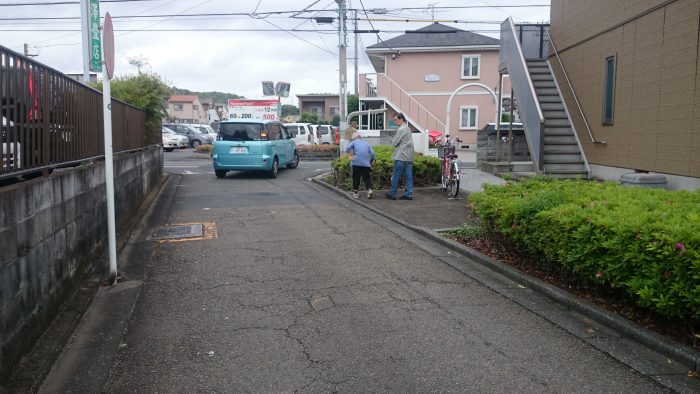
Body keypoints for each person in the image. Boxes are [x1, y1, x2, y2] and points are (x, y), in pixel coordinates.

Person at [386, 112, 414, 200]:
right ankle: (408, 194)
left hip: (401, 156)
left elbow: (394, 142)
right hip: (409, 157)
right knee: (408, 176)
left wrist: (392, 141)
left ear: (401, 119)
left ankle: (392, 194)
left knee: (396, 175)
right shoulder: (408, 128)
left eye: (396, 120)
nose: (395, 122)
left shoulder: (401, 129)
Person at [345, 132, 375, 199]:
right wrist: (370, 161)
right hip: (366, 164)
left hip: (356, 163)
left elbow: (347, 149)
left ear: (354, 138)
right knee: (367, 178)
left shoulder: (354, 142)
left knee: (356, 178)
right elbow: (372, 154)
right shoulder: (367, 144)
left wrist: (350, 156)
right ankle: (369, 190)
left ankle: (355, 193)